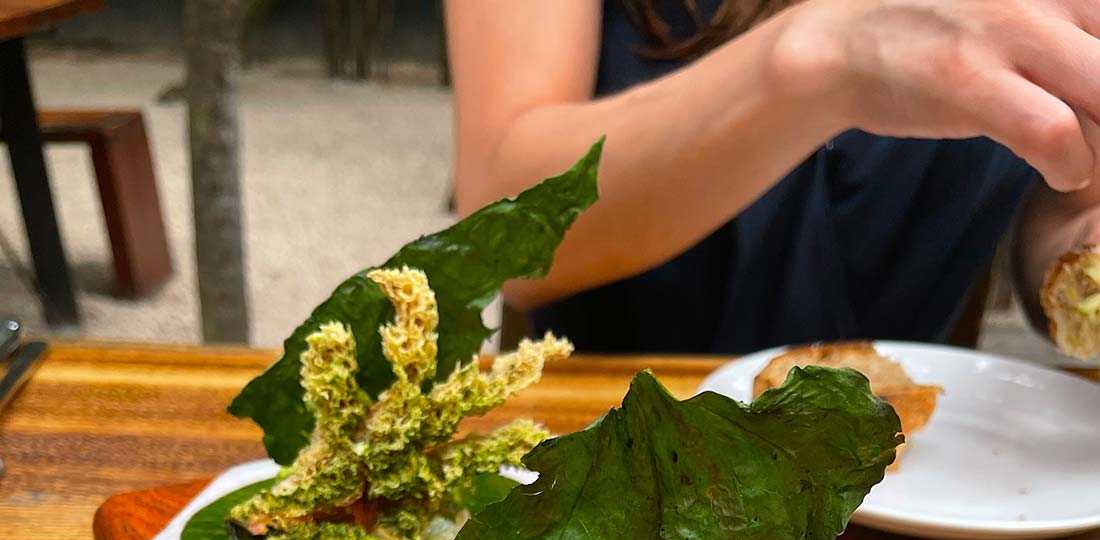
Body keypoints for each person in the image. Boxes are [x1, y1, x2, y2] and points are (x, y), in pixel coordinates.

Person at [443, 0, 1100, 353]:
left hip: (926, 489)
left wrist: (1083, 257)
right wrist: (824, 60)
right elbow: (496, 227)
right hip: (613, 474)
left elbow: (1066, 201)